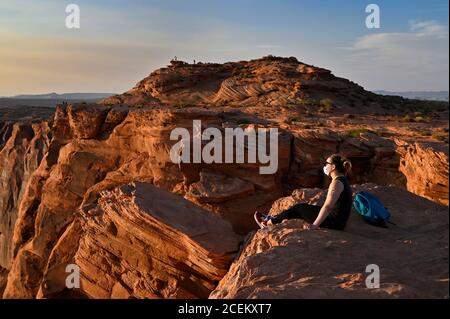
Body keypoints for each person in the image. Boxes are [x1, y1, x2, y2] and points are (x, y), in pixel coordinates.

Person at [254, 154, 353, 231]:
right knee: (305, 208)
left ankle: (267, 223)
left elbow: (328, 207)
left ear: (333, 167)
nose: (325, 166)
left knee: (298, 208)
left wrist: (315, 225)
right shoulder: (342, 180)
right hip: (338, 221)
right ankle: (274, 219)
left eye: (326, 164)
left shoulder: (336, 183)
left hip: (333, 222)